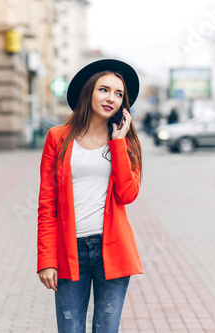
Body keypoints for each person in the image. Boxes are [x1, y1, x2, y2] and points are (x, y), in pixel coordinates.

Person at [37, 59, 143, 333]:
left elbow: (128, 194)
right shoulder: (57, 138)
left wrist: (118, 143)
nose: (111, 98)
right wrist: (46, 259)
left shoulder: (125, 141)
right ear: (88, 92)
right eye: (104, 90)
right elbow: (47, 205)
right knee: (70, 329)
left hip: (112, 248)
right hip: (70, 251)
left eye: (119, 94)